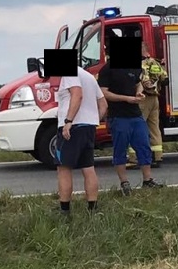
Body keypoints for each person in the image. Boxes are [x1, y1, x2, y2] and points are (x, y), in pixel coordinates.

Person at [99, 61, 162, 194]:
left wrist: (139, 92)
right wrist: (126, 98)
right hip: (118, 116)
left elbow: (138, 83)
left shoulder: (134, 67)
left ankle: (148, 179)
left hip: (136, 114)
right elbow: (104, 93)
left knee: (144, 146)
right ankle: (124, 183)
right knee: (120, 149)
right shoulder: (107, 69)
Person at [55, 60, 104, 214]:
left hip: (73, 127)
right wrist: (93, 120)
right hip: (88, 127)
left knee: (64, 168)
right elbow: (103, 105)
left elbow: (77, 94)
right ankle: (92, 209)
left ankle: (64, 210)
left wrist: (68, 121)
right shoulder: (89, 77)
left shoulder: (69, 73)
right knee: (88, 168)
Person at [139, 53, 168, 166]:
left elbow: (145, 82)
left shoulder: (142, 64)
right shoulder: (154, 62)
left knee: (138, 127)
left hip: (143, 99)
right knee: (154, 128)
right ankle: (157, 156)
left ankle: (134, 158)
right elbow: (164, 79)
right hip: (155, 99)